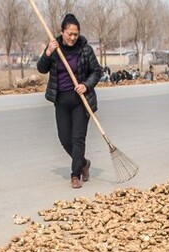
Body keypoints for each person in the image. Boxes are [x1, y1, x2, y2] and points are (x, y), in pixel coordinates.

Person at [37, 13, 103, 190]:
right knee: (65, 139)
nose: (73, 37)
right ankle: (83, 163)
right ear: (62, 31)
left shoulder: (85, 49)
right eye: (69, 33)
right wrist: (48, 52)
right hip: (61, 100)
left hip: (81, 101)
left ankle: (75, 174)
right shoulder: (55, 48)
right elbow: (41, 69)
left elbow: (97, 71)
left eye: (76, 34)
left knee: (77, 139)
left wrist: (85, 85)